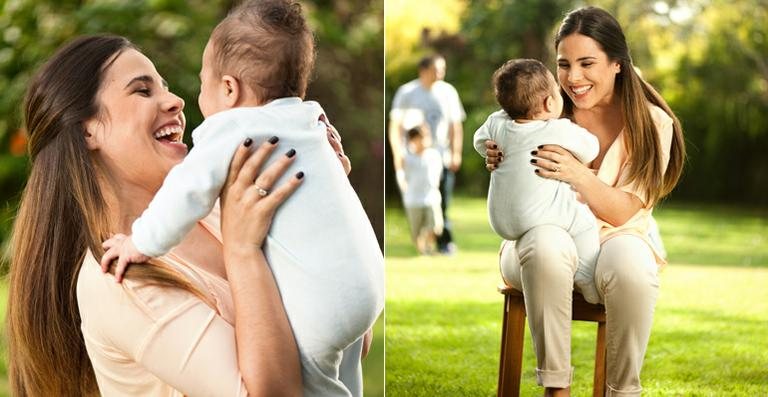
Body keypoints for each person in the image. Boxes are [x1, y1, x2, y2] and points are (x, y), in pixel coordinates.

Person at [6, 32, 361, 397]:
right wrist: (243, 253)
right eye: (143, 91)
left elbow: (348, 344)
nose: (175, 101)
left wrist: (328, 206)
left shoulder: (223, 210)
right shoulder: (118, 280)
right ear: (86, 131)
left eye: (165, 87)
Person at [99, 2, 384, 394]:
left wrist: (139, 241)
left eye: (200, 84)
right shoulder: (310, 120)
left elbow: (185, 191)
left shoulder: (232, 130)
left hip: (330, 312)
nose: (180, 100)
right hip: (366, 286)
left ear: (229, 88)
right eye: (144, 90)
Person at [484, 7, 685, 396]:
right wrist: (493, 152)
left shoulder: (652, 123)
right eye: (564, 64)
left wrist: (577, 174)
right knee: (546, 243)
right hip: (536, 242)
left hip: (616, 235)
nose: (572, 77)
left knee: (631, 268)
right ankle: (556, 388)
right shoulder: (543, 107)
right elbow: (500, 131)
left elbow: (624, 209)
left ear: (617, 64)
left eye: (587, 63)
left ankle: (621, 391)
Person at [473, 58, 601, 304]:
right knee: (583, 220)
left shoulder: (497, 123)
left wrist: (488, 148)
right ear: (549, 101)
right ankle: (586, 276)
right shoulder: (556, 128)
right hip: (536, 216)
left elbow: (479, 140)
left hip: (502, 222)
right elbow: (591, 148)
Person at [389, 54, 465, 254]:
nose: (440, 73)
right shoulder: (407, 93)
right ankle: (422, 240)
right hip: (414, 158)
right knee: (418, 199)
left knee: (442, 200)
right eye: (436, 69)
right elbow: (395, 126)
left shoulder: (448, 92)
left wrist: (456, 152)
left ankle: (443, 242)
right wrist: (398, 153)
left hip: (441, 156)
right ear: (423, 70)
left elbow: (455, 125)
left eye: (443, 69)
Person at [402, 125, 444, 255]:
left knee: (436, 227)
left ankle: (428, 247)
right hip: (413, 200)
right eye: (420, 138)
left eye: (425, 137)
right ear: (412, 141)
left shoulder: (434, 155)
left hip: (431, 197)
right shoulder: (407, 158)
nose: (424, 140)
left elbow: (438, 175)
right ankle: (423, 251)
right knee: (417, 231)